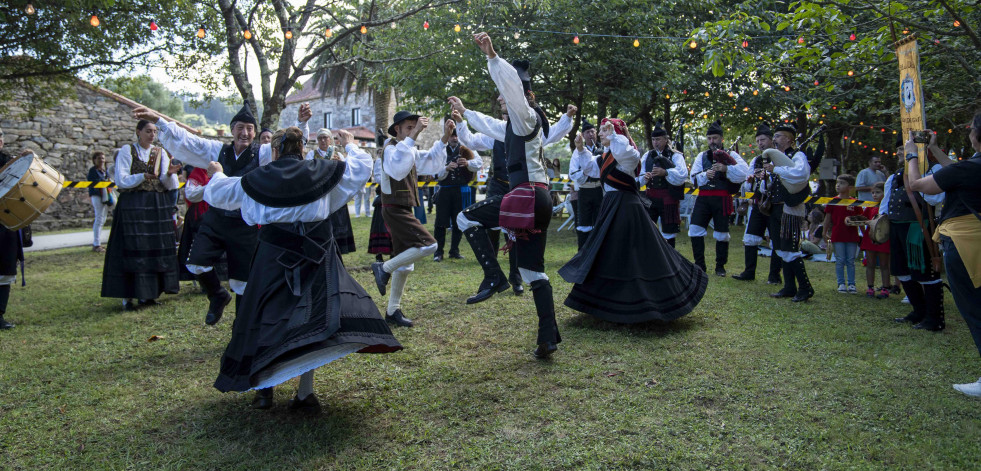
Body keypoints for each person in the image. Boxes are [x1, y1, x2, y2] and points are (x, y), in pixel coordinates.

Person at [205, 126, 402, 410]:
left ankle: (265, 390)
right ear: (303, 149)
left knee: (265, 315)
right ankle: (303, 393)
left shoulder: (257, 179)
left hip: (273, 256)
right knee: (314, 321)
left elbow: (220, 193)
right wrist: (350, 146)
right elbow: (360, 169)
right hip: (315, 255)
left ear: (274, 151)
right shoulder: (322, 171)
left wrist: (216, 173)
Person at [136, 103, 312, 325]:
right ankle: (217, 295)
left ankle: (243, 328)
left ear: (255, 132)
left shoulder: (264, 152)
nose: (245, 133)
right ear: (232, 130)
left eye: (249, 128)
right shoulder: (217, 150)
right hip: (215, 220)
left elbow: (290, 146)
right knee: (196, 262)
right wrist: (159, 120)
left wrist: (302, 123)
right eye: (240, 127)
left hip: (244, 222)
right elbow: (189, 140)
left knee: (243, 282)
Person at [447, 32, 561, 359]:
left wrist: (493, 57)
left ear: (524, 96)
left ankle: (495, 277)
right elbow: (490, 125)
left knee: (464, 217)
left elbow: (512, 90)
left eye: (508, 96)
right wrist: (466, 112)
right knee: (532, 270)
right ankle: (547, 337)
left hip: (525, 197)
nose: (503, 99)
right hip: (537, 199)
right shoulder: (515, 126)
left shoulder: (526, 117)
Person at [559, 119, 707, 323]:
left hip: (627, 208)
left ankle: (642, 304)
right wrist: (580, 149)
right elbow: (587, 169)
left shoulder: (628, 155)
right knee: (609, 254)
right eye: (601, 131)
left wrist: (615, 135)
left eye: (604, 131)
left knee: (636, 256)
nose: (600, 134)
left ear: (616, 134)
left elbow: (625, 153)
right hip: (610, 206)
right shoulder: (603, 157)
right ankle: (607, 303)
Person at [454, 99, 576, 296]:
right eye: (504, 116)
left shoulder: (529, 132)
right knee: (486, 227)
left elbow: (550, 133)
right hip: (498, 186)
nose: (506, 120)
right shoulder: (495, 135)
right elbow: (470, 139)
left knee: (515, 233)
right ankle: (492, 276)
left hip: (520, 189)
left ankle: (515, 278)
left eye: (509, 115)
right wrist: (461, 121)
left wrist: (566, 118)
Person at [904, 119, 981, 396]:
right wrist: (935, 151)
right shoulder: (971, 168)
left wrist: (912, 154)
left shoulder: (969, 168)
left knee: (974, 308)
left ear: (976, 136)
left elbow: (916, 184)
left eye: (971, 128)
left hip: (964, 244)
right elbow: (958, 173)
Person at [368, 111, 446, 328]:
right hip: (393, 208)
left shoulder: (407, 149)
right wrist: (416, 135)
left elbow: (430, 161)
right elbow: (398, 169)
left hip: (402, 208)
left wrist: (445, 138)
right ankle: (383, 268)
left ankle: (393, 311)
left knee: (406, 265)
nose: (413, 131)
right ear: (397, 130)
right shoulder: (391, 149)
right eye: (408, 128)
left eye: (415, 126)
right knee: (430, 245)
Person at [100, 119, 181, 310]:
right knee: (133, 246)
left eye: (154, 131)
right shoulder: (127, 151)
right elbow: (122, 179)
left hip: (155, 205)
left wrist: (169, 174)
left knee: (153, 247)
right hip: (133, 205)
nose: (152, 135)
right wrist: (142, 176)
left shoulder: (159, 153)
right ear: (138, 132)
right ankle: (127, 297)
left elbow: (169, 184)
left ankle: (149, 294)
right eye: (148, 131)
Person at [880, 139, 947, 330]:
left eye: (903, 148)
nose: (900, 152)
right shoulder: (894, 176)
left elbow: (935, 198)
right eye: (900, 149)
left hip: (919, 227)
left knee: (926, 272)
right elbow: (886, 203)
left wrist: (917, 174)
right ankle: (919, 311)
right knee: (902, 271)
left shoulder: (933, 169)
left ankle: (935, 319)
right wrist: (879, 221)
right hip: (896, 227)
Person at [688, 120, 750, 276]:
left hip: (722, 198)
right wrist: (705, 175)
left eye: (715, 138)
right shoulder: (702, 156)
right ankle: (699, 265)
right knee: (695, 229)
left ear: (721, 139)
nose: (712, 141)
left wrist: (726, 168)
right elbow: (693, 177)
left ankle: (720, 267)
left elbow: (744, 172)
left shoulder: (732, 154)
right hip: (703, 198)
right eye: (709, 138)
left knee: (722, 233)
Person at [763, 122, 815, 302]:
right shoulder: (777, 159)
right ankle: (789, 287)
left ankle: (806, 287)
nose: (775, 139)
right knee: (781, 249)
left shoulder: (798, 155)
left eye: (778, 136)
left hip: (790, 209)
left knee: (790, 248)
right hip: (776, 208)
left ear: (789, 139)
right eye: (774, 136)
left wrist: (775, 170)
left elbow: (801, 174)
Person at [733, 122, 781, 283]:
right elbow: (747, 185)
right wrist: (752, 179)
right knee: (750, 238)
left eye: (763, 140)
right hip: (759, 204)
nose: (760, 143)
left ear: (772, 140)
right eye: (758, 140)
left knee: (776, 240)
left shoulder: (781, 158)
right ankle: (749, 272)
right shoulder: (756, 160)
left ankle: (774, 276)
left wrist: (771, 174)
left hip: (776, 205)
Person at [433, 117, 482, 262]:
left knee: (458, 221)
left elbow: (478, 163)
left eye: (456, 135)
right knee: (440, 222)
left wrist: (468, 163)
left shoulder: (467, 148)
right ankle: (438, 252)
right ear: (448, 136)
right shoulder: (440, 148)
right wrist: (446, 168)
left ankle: (454, 250)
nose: (455, 138)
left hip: (461, 191)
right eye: (452, 135)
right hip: (444, 190)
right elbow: (434, 171)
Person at [635, 120, 688, 249]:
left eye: (658, 139)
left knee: (669, 232)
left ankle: (671, 260)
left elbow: (682, 174)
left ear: (665, 139)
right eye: (653, 140)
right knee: (648, 228)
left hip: (668, 197)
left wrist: (665, 172)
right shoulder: (648, 155)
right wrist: (645, 177)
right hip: (650, 198)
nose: (655, 143)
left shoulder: (675, 155)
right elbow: (639, 174)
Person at [306, 129, 356, 254]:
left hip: (335, 193)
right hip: (320, 195)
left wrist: (340, 166)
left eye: (325, 137)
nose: (323, 140)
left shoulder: (338, 155)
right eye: (320, 138)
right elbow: (308, 174)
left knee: (338, 223)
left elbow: (346, 174)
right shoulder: (312, 155)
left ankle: (339, 251)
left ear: (330, 139)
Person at [0, 128, 29, 330]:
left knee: (4, 270)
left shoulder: (10, 161)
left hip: (6, 223)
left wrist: (28, 161)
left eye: (0, 137)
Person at [823, 174, 862, 293]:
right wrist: (824, 232)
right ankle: (841, 283)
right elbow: (827, 218)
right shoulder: (833, 201)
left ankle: (851, 284)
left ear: (850, 187)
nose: (838, 185)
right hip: (837, 234)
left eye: (842, 183)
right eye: (837, 183)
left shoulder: (855, 202)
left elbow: (861, 219)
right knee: (840, 260)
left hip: (852, 235)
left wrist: (865, 234)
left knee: (850, 260)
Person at [569, 120, 604, 249]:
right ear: (583, 135)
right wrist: (587, 171)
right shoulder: (577, 153)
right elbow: (573, 174)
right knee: (584, 225)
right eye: (588, 132)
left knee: (600, 223)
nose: (591, 134)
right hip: (584, 191)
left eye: (593, 131)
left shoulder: (603, 149)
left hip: (600, 191)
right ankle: (582, 255)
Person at [855, 182, 891, 298]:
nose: (874, 195)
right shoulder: (870, 206)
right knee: (870, 263)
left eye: (878, 192)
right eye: (873, 193)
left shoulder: (889, 206)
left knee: (884, 264)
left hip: (883, 238)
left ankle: (886, 287)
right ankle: (870, 287)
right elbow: (863, 217)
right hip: (870, 237)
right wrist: (852, 218)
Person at [367, 149, 393, 261]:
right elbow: (377, 177)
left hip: (395, 196)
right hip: (384, 196)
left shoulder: (397, 160)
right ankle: (379, 253)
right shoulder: (379, 161)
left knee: (394, 225)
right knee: (380, 225)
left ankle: (394, 251)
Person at [87, 151, 112, 253]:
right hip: (97, 196)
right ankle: (96, 244)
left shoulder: (105, 171)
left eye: (102, 158)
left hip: (105, 196)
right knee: (99, 218)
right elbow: (95, 183)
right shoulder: (93, 171)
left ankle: (98, 243)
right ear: (94, 160)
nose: (101, 160)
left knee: (103, 219)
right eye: (99, 158)